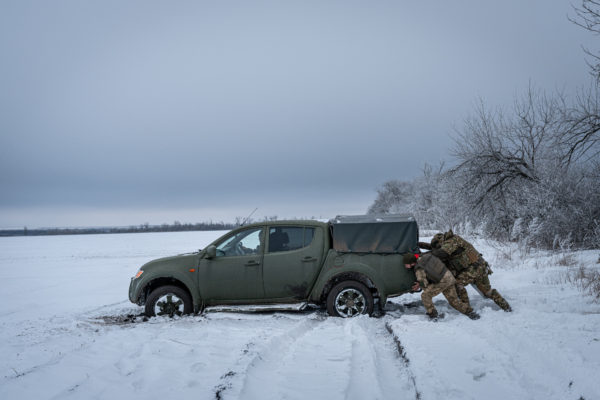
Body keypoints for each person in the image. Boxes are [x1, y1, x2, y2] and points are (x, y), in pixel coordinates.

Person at [428, 230, 512, 312]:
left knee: (457, 284)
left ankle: (466, 309)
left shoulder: (452, 240)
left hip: (475, 268)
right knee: (487, 292)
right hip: (479, 267)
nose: (438, 248)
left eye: (438, 245)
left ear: (440, 240)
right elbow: (436, 250)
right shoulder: (450, 242)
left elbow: (442, 253)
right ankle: (506, 307)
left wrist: (421, 256)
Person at [403, 253, 480, 320]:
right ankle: (470, 312)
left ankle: (433, 315)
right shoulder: (424, 256)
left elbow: (424, 283)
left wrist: (418, 285)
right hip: (449, 277)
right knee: (453, 301)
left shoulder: (418, 268)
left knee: (425, 295)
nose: (405, 266)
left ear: (411, 263)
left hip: (442, 282)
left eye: (406, 264)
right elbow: (416, 256)